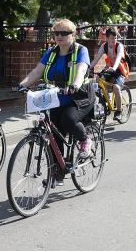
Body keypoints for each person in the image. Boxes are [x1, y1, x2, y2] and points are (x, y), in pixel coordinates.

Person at [19, 19, 93, 186]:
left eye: (64, 33)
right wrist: (22, 85)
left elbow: (81, 69)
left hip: (79, 95)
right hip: (57, 97)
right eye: (56, 33)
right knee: (53, 130)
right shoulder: (51, 52)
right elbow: (37, 71)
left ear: (73, 34)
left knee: (68, 119)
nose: (59, 36)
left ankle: (84, 140)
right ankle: (57, 173)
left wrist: (75, 84)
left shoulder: (81, 50)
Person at [90, 26, 130, 121]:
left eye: (115, 38)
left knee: (116, 87)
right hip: (110, 68)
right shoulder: (104, 46)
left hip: (120, 69)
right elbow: (96, 59)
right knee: (98, 79)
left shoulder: (119, 46)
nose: (114, 40)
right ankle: (105, 98)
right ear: (107, 38)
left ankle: (119, 112)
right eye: (112, 38)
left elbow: (119, 57)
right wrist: (87, 68)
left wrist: (114, 68)